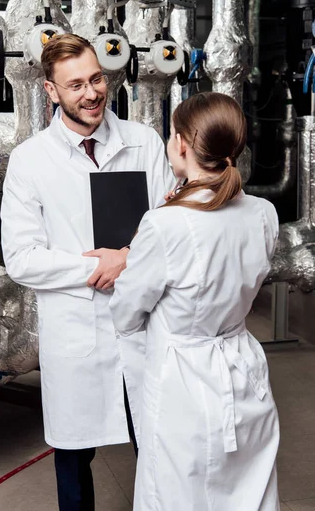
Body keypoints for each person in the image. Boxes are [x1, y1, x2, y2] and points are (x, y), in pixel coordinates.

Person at [0, 33, 173, 511]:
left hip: (143, 325)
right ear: (51, 92)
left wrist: (129, 258)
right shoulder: (30, 160)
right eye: (75, 85)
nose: (92, 92)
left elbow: (170, 229)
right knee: (74, 461)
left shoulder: (142, 142)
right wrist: (98, 265)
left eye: (96, 78)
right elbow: (21, 257)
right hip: (76, 332)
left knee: (157, 448)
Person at [109, 92, 280, 511]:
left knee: (176, 498)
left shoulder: (164, 223)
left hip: (181, 385)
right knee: (248, 495)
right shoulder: (263, 212)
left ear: (182, 143)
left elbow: (127, 311)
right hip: (246, 374)